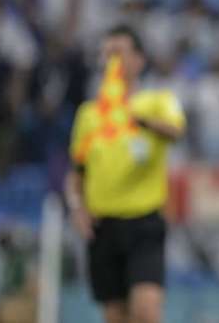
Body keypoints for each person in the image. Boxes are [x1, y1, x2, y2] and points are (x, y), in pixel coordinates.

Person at [64, 24, 186, 323]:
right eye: (106, 53)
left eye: (118, 52)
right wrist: (77, 208)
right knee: (114, 316)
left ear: (139, 60)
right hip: (103, 226)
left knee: (145, 311)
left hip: (143, 222)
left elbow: (176, 131)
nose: (111, 60)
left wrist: (137, 119)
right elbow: (77, 173)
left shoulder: (157, 101)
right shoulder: (89, 115)